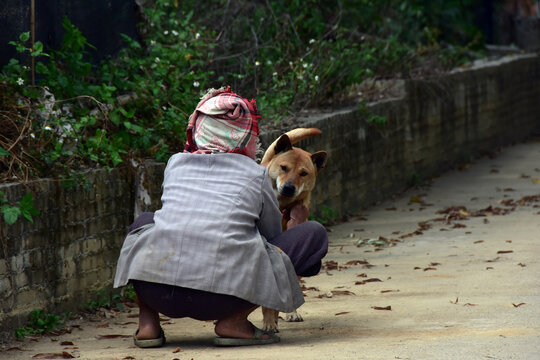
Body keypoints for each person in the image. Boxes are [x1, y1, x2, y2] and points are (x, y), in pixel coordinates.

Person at [113, 86, 328, 347]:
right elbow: (272, 241)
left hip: (158, 293)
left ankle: (148, 324)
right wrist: (297, 225)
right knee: (313, 233)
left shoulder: (176, 163)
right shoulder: (255, 174)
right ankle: (234, 321)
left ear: (198, 128)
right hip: (223, 299)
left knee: (144, 224)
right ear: (246, 134)